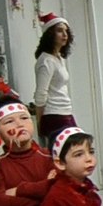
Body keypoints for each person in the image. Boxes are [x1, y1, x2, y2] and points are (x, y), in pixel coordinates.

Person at [32, 12, 77, 144]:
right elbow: (41, 94)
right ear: (50, 34)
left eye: (66, 31)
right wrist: (40, 123)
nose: (64, 35)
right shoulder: (46, 61)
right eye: (59, 31)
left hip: (65, 111)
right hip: (54, 115)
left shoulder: (58, 58)